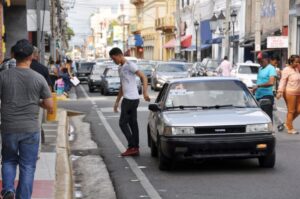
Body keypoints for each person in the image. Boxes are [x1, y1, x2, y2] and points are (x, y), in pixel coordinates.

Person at [0, 39, 53, 199]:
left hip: (9, 127)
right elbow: (50, 105)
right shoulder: (38, 78)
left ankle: (8, 189)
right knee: (28, 166)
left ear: (13, 55)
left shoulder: (3, 76)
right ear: (32, 56)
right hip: (30, 128)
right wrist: (36, 102)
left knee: (8, 160)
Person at [109, 47, 150, 156]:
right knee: (132, 123)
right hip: (128, 98)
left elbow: (144, 77)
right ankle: (135, 148)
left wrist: (145, 93)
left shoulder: (130, 65)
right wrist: (117, 102)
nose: (114, 61)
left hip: (131, 99)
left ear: (119, 55)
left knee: (122, 123)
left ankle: (132, 146)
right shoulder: (120, 68)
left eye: (114, 58)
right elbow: (122, 86)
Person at [276, 55, 300, 134]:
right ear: (291, 61)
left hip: (298, 93)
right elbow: (283, 81)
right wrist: (280, 91)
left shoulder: (297, 69)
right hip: (290, 92)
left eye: (298, 62)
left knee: (299, 110)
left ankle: (287, 123)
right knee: (291, 111)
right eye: (296, 62)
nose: (297, 63)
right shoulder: (286, 70)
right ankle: (290, 128)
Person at [253, 52, 277, 121]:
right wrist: (253, 89)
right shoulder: (260, 69)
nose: (259, 62)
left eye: (261, 60)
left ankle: (270, 130)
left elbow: (271, 82)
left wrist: (259, 85)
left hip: (267, 97)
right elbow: (259, 81)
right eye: (258, 60)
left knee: (267, 118)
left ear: (267, 59)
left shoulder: (271, 68)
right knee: (259, 118)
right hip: (258, 97)